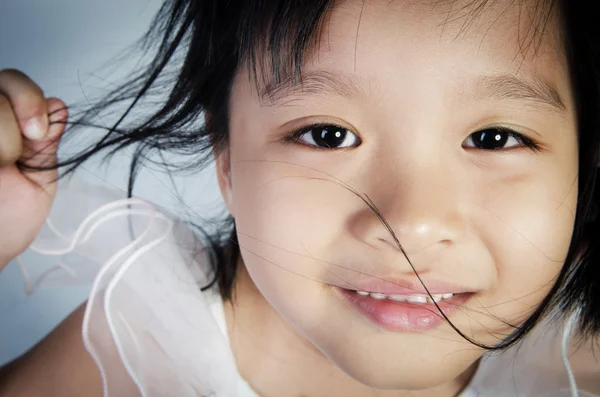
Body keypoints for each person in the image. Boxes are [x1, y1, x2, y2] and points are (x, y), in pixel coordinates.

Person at [0, 0, 599, 395]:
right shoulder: (147, 342)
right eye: (328, 136)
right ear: (225, 157)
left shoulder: (578, 359)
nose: (411, 223)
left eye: (493, 139)